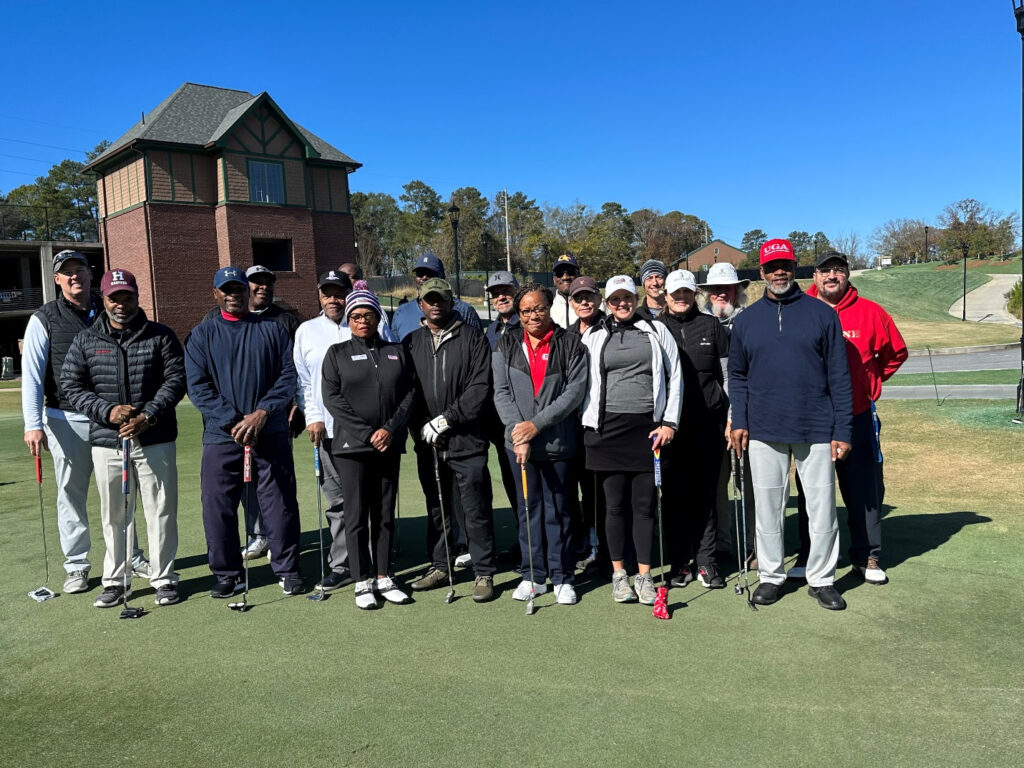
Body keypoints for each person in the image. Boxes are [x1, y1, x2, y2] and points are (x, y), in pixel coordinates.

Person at [728, 238, 853, 611]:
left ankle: (822, 578)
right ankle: (770, 576)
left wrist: (842, 430)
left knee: (821, 508)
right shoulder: (746, 320)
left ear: (795, 268)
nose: (778, 272)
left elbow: (840, 377)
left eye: (785, 265)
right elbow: (737, 375)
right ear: (761, 272)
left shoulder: (822, 314)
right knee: (768, 507)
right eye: (771, 267)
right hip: (764, 429)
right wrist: (741, 420)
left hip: (816, 427)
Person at [21, 249, 145, 594]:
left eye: (80, 270)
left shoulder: (111, 307)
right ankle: (77, 564)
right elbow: (32, 375)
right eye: (66, 272)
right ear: (57, 279)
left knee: (122, 492)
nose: (74, 276)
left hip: (112, 418)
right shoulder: (43, 318)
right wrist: (33, 423)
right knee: (72, 494)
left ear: (91, 275)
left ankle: (130, 555)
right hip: (65, 418)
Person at [61, 269, 186, 607]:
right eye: (114, 297)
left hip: (155, 436)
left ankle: (163, 579)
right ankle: (116, 580)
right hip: (107, 440)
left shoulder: (160, 335)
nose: (121, 304)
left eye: (126, 296)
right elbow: (71, 385)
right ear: (103, 299)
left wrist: (148, 416)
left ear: (137, 296)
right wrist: (107, 411)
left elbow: (176, 380)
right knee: (115, 513)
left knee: (160, 510)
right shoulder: (87, 339)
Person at [789, 250, 908, 585]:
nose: (831, 276)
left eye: (838, 271)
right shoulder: (799, 310)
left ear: (847, 275)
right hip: (812, 418)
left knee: (863, 489)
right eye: (825, 270)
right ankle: (809, 553)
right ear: (814, 276)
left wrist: (869, 381)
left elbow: (895, 353)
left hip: (856, 416)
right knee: (811, 490)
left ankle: (866, 556)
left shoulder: (871, 312)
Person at [185, 266, 304, 598]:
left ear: (247, 292)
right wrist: (234, 420)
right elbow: (198, 388)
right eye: (226, 289)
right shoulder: (202, 335)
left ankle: (287, 568)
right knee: (217, 507)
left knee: (279, 503)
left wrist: (262, 413)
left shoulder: (274, 330)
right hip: (223, 436)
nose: (233, 294)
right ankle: (227, 573)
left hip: (270, 431)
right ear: (216, 294)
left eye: (238, 288)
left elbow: (287, 377)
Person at [580, 275, 681, 605]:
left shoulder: (656, 329)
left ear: (636, 298)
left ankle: (645, 576)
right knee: (614, 506)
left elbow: (675, 375)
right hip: (606, 431)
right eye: (615, 299)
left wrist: (669, 423)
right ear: (606, 303)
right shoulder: (595, 334)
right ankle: (619, 575)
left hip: (647, 431)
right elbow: (582, 382)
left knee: (644, 506)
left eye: (627, 297)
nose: (622, 303)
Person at [492, 283, 588, 605]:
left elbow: (573, 394)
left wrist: (536, 426)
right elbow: (501, 393)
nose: (533, 315)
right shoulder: (505, 345)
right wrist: (519, 432)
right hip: (518, 446)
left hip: (557, 444)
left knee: (558, 511)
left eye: (539, 308)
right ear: (518, 315)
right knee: (527, 509)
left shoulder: (570, 344)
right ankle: (532, 575)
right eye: (526, 311)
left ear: (549, 308)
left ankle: (562, 576)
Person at [404, 278, 497, 602]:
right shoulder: (411, 342)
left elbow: (480, 389)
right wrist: (420, 429)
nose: (435, 304)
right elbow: (407, 394)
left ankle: (483, 571)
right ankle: (441, 566)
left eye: (441, 299)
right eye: (429, 299)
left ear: (451, 301)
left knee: (474, 507)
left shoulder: (473, 339)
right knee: (436, 507)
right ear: (420, 305)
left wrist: (448, 419)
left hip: (467, 440)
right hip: (428, 444)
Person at [322, 290, 415, 609]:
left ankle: (383, 576)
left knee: (384, 514)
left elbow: (408, 394)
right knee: (356, 515)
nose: (363, 321)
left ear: (378, 317)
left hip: (388, 445)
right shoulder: (336, 353)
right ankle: (362, 581)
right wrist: (367, 433)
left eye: (368, 315)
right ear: (348, 321)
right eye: (356, 316)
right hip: (352, 448)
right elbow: (333, 399)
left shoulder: (395, 351)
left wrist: (389, 429)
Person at [656, 269, 731, 589]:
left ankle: (707, 562)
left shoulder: (711, 325)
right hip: (671, 429)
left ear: (694, 294)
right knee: (674, 498)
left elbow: (726, 374)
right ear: (666, 296)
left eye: (687, 292)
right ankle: (679, 563)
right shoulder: (655, 328)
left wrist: (731, 416)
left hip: (708, 425)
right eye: (676, 293)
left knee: (705, 496)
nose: (681, 298)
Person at [293, 270, 358, 593]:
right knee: (336, 501)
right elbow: (304, 382)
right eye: (327, 293)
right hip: (326, 430)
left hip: (364, 430)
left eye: (339, 292)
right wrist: (313, 417)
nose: (334, 299)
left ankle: (374, 560)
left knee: (367, 497)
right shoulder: (306, 331)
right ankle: (343, 564)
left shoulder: (364, 322)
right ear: (319, 296)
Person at [700, 262, 756, 564]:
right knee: (716, 485)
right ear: (707, 294)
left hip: (749, 415)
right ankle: (722, 544)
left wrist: (739, 413)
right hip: (712, 419)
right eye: (715, 289)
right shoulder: (701, 322)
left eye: (727, 288)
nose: (721, 293)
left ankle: (754, 545)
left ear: (737, 290)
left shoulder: (752, 320)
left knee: (748, 484)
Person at [566, 275, 606, 571]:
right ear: (571, 302)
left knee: (597, 490)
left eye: (589, 296)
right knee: (575, 485)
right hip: (570, 424)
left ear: (598, 298)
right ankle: (582, 540)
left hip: (601, 423)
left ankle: (598, 544)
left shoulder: (611, 328)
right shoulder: (566, 335)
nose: (584, 302)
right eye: (578, 298)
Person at [483, 271, 523, 555]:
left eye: (506, 290)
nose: (500, 296)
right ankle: (525, 540)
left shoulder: (529, 324)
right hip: (500, 422)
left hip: (527, 420)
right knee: (512, 483)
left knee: (533, 486)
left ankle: (544, 544)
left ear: (517, 291)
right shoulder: (491, 330)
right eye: (496, 292)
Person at [391, 253, 482, 340]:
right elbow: (395, 350)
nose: (424, 277)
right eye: (420, 273)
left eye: (430, 273)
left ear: (442, 277)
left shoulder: (465, 311)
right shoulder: (401, 312)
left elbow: (478, 346)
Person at [550, 254, 580, 329]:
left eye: (571, 272)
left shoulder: (591, 302)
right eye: (559, 273)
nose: (565, 277)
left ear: (578, 276)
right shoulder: (546, 303)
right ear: (554, 279)